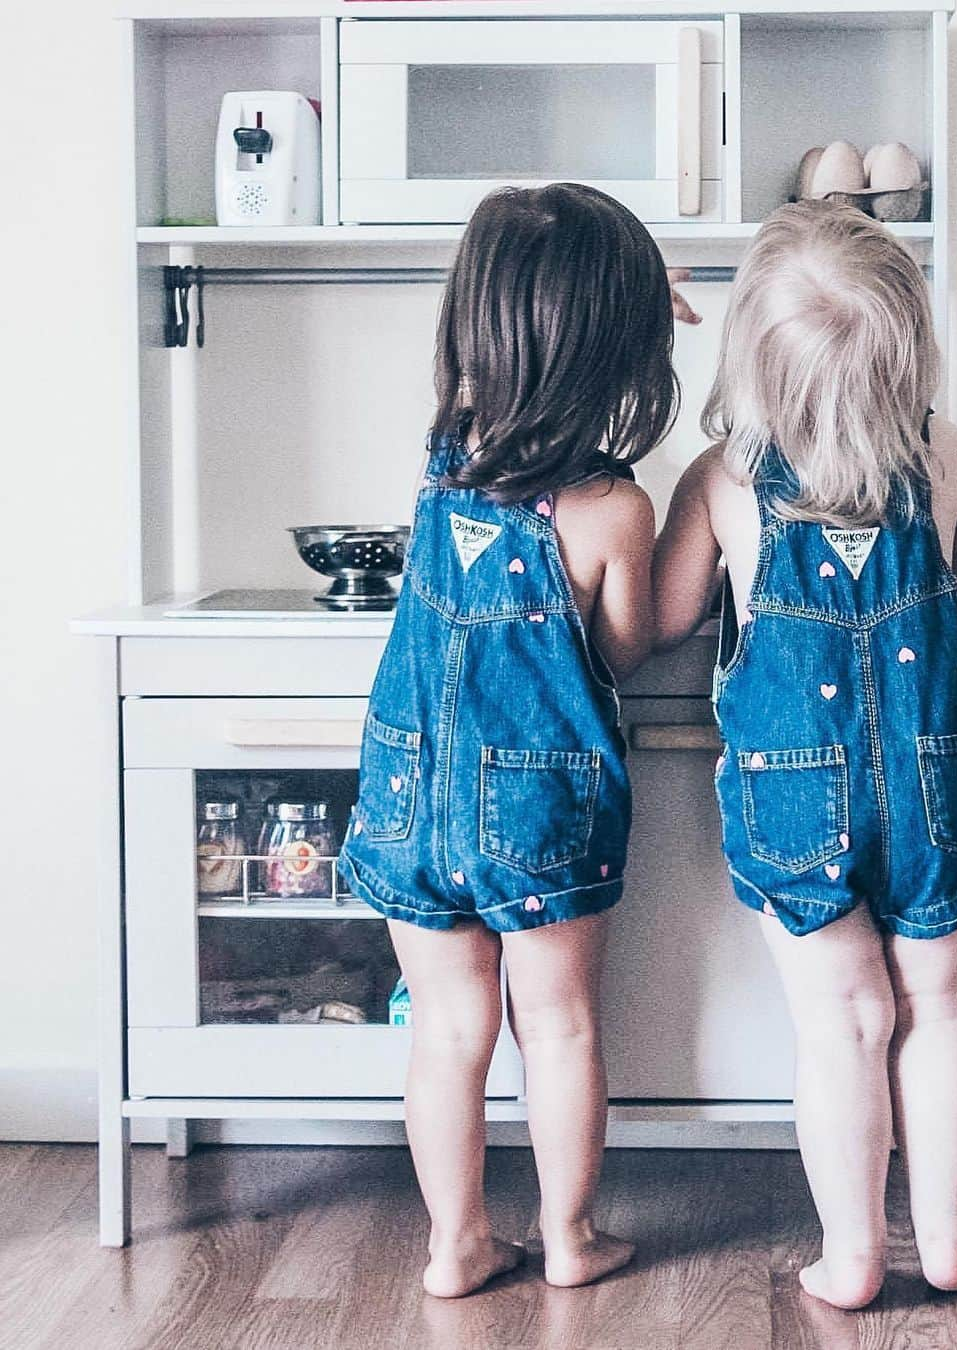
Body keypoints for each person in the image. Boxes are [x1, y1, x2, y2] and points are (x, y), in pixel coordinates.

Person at [654, 200, 957, 1309]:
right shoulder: (942, 456)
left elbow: (664, 619)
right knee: (939, 1015)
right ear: (910, 347)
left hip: (793, 802)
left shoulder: (724, 478)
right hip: (932, 780)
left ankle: (854, 1256)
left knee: (845, 1025)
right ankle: (948, 1244)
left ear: (753, 362)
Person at [339, 183, 680, 1298]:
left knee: (445, 1032)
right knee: (562, 1029)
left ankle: (455, 1248)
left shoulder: (448, 453)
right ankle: (573, 1240)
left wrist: (594, 306)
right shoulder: (612, 511)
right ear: (619, 354)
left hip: (409, 785)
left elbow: (515, 343)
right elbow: (621, 651)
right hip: (538, 805)